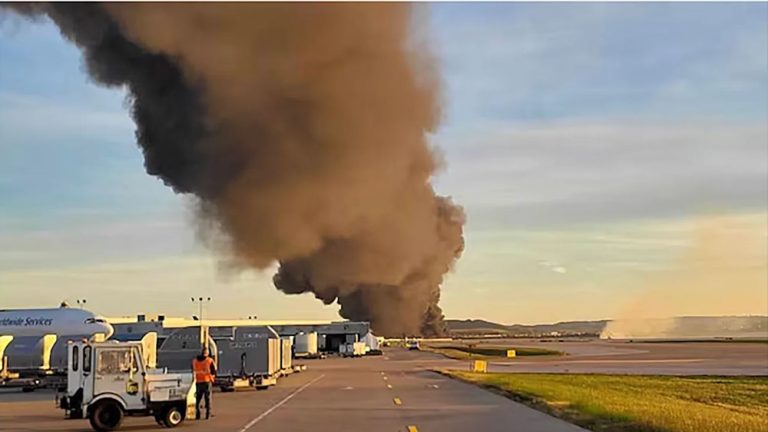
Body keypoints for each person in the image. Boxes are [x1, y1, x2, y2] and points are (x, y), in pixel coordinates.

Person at [192, 346, 216, 420]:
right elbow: (213, 371)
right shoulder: (209, 360)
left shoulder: (195, 361)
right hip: (206, 381)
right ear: (207, 353)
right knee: (207, 399)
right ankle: (208, 415)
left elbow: (193, 370)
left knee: (197, 399)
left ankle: (197, 414)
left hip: (198, 382)